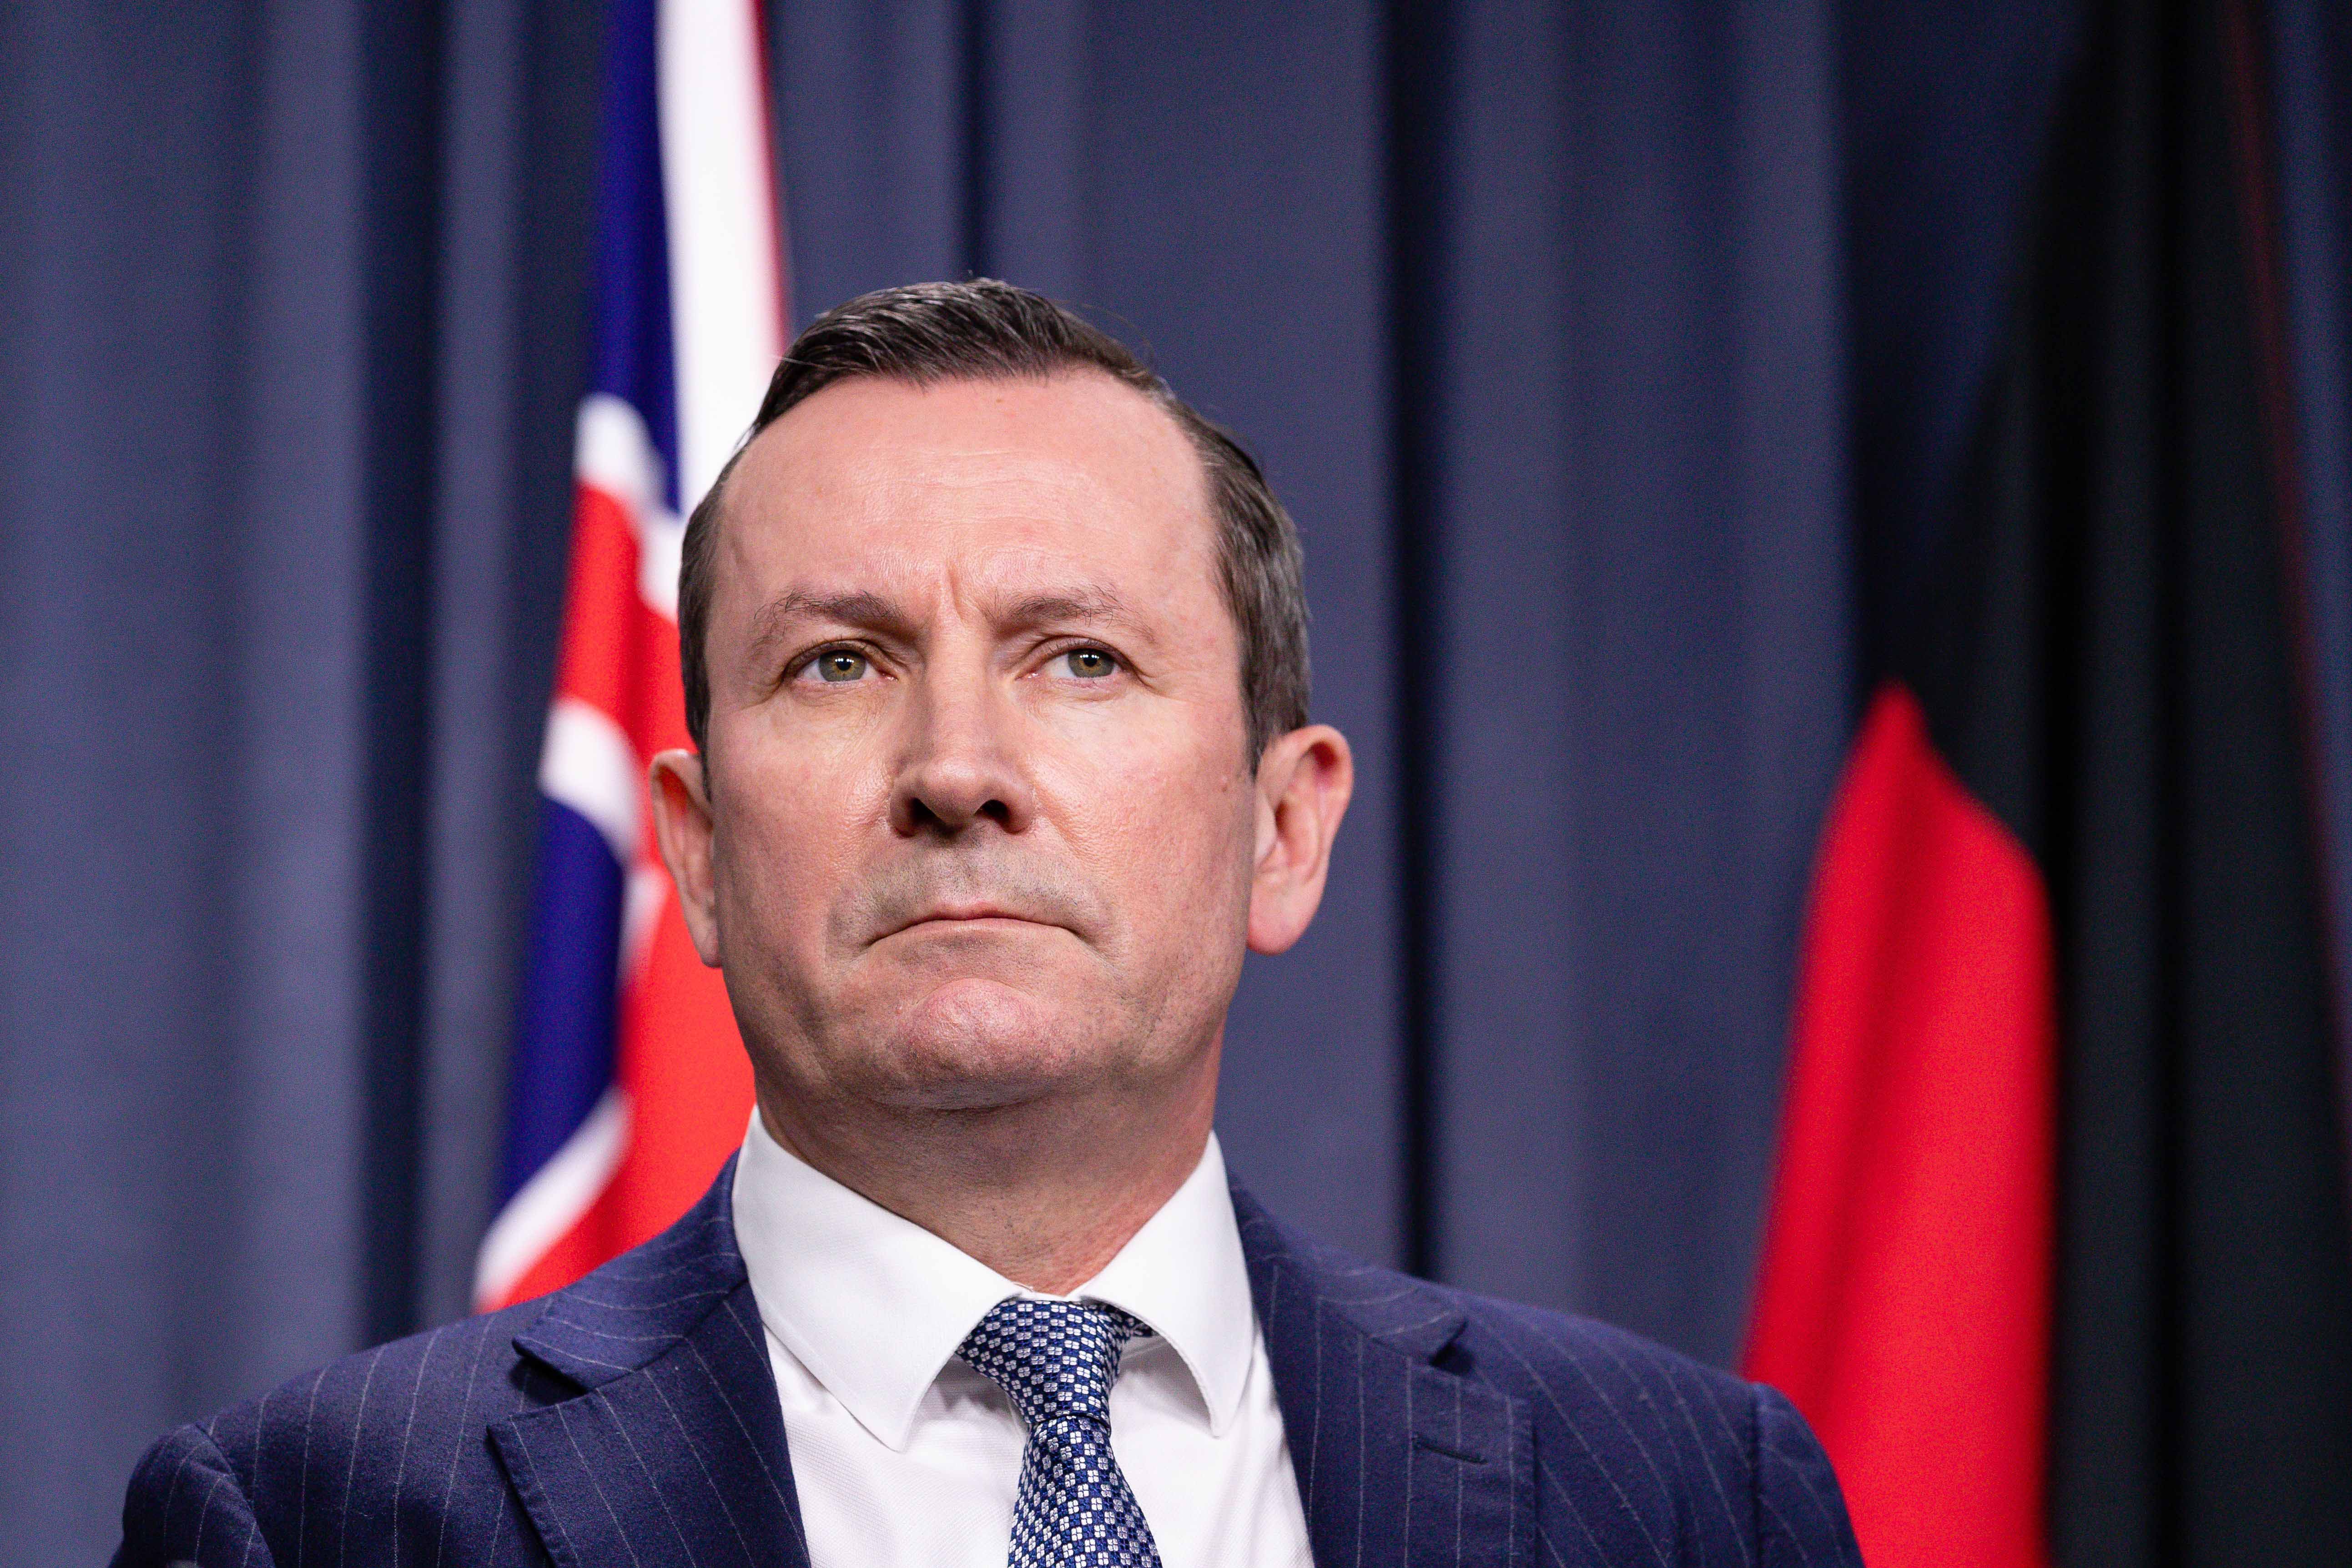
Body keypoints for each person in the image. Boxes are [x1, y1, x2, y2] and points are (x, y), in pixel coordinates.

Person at [115, 280, 1861, 1568]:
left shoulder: (1687, 1499)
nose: (957, 770)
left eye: (1081, 658)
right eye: (839, 662)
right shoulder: (311, 1521)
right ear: (702, 853)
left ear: (1282, 825)